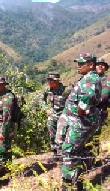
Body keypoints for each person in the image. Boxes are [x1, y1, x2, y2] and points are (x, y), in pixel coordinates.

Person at [55, 53, 102, 191]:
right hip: (79, 122)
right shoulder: (88, 78)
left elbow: (83, 106)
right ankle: (77, 182)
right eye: (78, 63)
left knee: (69, 152)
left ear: (91, 65)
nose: (78, 66)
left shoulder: (90, 80)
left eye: (81, 63)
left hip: (80, 124)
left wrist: (78, 112)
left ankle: (69, 185)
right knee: (75, 152)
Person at [40, 71, 70, 162]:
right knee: (52, 133)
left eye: (51, 80)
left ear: (57, 81)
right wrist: (46, 109)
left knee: (62, 135)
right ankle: (55, 153)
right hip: (53, 115)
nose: (50, 82)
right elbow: (41, 100)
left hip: (64, 115)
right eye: (48, 80)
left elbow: (73, 102)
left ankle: (63, 153)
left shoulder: (66, 90)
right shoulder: (47, 90)